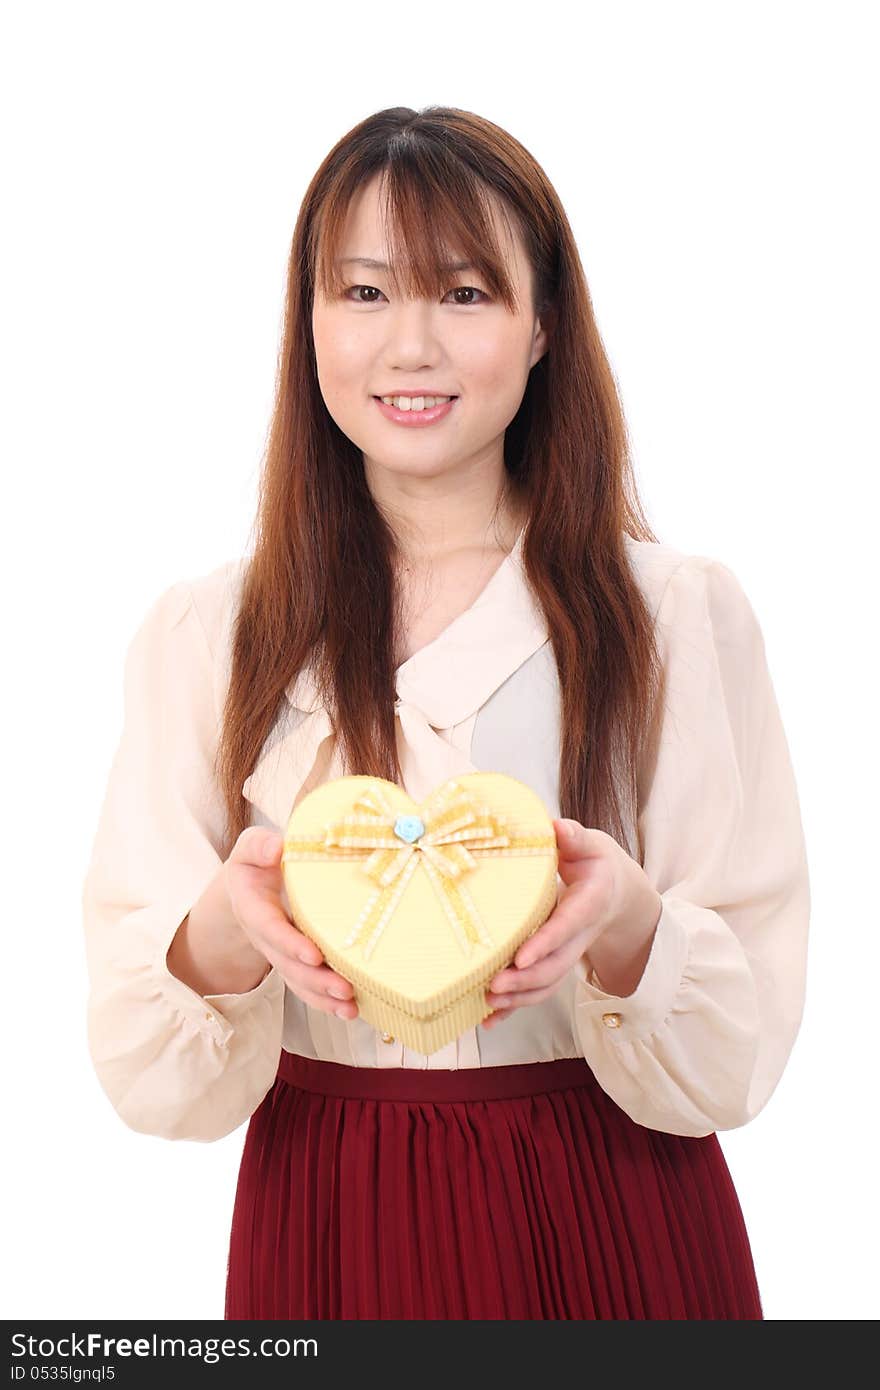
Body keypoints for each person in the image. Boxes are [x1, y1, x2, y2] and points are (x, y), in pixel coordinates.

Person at [81, 105, 811, 1321]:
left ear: (540, 328)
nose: (408, 346)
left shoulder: (674, 615)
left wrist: (623, 917)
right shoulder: (210, 634)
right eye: (362, 294)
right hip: (328, 1207)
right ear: (307, 325)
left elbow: (740, 1053)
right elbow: (141, 1066)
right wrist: (228, 925)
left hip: (609, 1201)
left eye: (463, 294)